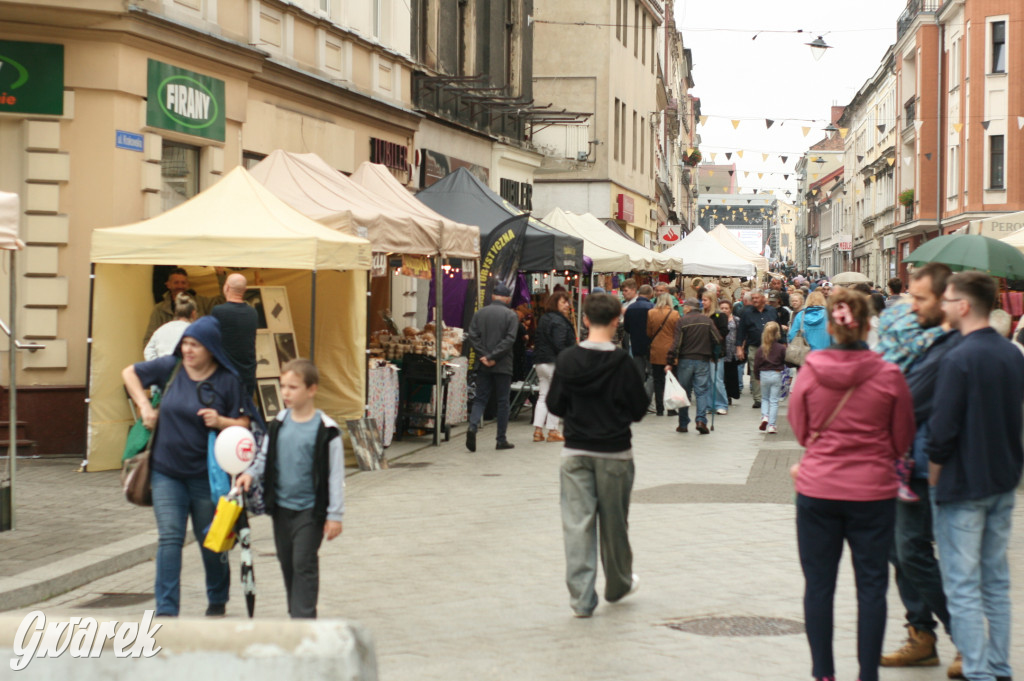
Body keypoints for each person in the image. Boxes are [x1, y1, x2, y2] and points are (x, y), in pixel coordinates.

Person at [788, 288, 916, 681]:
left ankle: (824, 673)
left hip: (819, 491)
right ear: (867, 325)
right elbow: (902, 440)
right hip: (872, 493)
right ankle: (867, 675)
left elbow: (802, 430)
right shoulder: (889, 373)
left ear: (830, 326)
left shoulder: (811, 370)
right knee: (872, 587)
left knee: (819, 586)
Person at [925, 271, 1024, 681]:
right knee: (995, 581)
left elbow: (942, 430)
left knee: (963, 585)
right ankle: (999, 666)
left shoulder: (957, 357)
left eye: (948, 299)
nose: (944, 306)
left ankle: (979, 671)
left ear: (963, 306)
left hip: (963, 482)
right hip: (1002, 478)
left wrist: (932, 476)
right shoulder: (1012, 353)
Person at [122, 316, 251, 617]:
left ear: (211, 348)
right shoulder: (171, 367)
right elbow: (129, 373)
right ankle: (166, 609)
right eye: (186, 344)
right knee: (170, 536)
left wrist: (221, 421)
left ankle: (217, 598)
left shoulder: (227, 380)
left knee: (210, 539)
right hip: (166, 471)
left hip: (208, 475)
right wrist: (144, 405)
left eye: (195, 345)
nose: (189, 350)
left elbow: (245, 422)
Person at [877, 262, 960, 676]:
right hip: (905, 462)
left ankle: (964, 637)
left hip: (933, 465)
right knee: (899, 549)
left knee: (913, 550)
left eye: (920, 297)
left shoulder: (950, 345)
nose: (912, 305)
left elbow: (908, 401)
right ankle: (920, 634)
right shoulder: (923, 341)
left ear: (945, 300)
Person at [545, 293, 647, 618]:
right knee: (615, 524)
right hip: (615, 452)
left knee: (577, 525)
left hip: (575, 451)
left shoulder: (568, 360)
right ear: (617, 321)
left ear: (585, 320)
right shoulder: (623, 363)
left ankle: (581, 599)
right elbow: (639, 409)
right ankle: (617, 583)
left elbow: (554, 405)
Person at [237, 359, 344, 619]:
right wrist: (250, 473)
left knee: (303, 563)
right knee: (286, 563)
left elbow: (335, 475)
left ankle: (304, 619)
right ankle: (295, 615)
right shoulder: (279, 423)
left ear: (311, 389)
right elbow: (264, 456)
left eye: (293, 387)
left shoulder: (327, 430)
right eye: (283, 386)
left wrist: (334, 515)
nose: (285, 392)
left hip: (310, 511)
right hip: (281, 509)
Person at [466, 281, 520, 452]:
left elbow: (473, 336)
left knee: (480, 398)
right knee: (503, 401)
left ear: (492, 296)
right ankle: (501, 439)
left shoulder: (480, 313)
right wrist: (493, 356)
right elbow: (509, 340)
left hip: (483, 365)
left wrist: (484, 356)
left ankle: (473, 426)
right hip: (502, 364)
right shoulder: (511, 316)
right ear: (507, 298)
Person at [666, 297, 722, 435]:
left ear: (688, 308)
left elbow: (677, 343)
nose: (683, 308)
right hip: (702, 360)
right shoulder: (707, 321)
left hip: (685, 361)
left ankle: (683, 423)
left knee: (684, 393)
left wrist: (670, 359)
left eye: (684, 306)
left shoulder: (682, 321)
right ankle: (701, 420)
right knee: (701, 391)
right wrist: (716, 355)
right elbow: (718, 339)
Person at [532, 291, 577, 442]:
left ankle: (538, 431)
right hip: (554, 363)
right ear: (555, 303)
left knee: (543, 396)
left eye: (567, 302)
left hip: (541, 362)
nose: (567, 305)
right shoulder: (559, 321)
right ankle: (553, 430)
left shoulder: (544, 318)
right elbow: (559, 343)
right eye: (563, 302)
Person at [143, 267, 220, 345]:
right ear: (168, 285)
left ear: (188, 285)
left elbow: (222, 301)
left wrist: (220, 275)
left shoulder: (200, 302)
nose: (180, 286)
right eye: (176, 282)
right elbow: (149, 340)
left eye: (183, 283)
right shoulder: (159, 309)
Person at [211, 273, 258, 396]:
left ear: (226, 288)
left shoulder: (218, 311)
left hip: (225, 374)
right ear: (245, 290)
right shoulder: (252, 313)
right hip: (248, 373)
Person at [735, 289, 778, 409]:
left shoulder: (772, 311)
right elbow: (741, 332)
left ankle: (769, 396)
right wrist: (739, 348)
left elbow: (777, 329)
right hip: (754, 346)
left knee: (771, 371)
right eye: (753, 298)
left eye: (756, 298)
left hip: (771, 346)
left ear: (763, 298)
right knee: (755, 372)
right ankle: (758, 399)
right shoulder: (747, 313)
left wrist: (783, 344)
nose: (754, 300)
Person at [646, 293, 681, 416]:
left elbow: (649, 332)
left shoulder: (651, 313)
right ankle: (671, 409)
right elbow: (678, 333)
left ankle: (659, 409)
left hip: (656, 349)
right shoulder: (675, 314)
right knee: (671, 379)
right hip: (671, 351)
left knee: (657, 380)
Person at [622, 284, 655, 402]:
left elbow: (626, 328)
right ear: (651, 295)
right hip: (650, 345)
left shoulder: (630, 308)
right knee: (652, 373)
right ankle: (646, 398)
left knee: (639, 374)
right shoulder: (652, 307)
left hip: (635, 345)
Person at [753, 321, 786, 434]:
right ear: (777, 333)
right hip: (776, 374)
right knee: (774, 401)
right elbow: (785, 361)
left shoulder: (761, 349)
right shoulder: (781, 348)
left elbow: (756, 365)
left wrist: (757, 377)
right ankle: (772, 425)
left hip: (764, 375)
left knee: (765, 398)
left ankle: (764, 417)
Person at [144, 293, 196, 361]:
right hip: (184, 369)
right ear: (193, 313)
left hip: (162, 368)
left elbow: (148, 350)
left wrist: (157, 364)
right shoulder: (194, 330)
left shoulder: (161, 329)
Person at [704, 292, 729, 416]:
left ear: (712, 301)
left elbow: (724, 332)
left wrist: (714, 339)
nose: (703, 302)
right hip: (704, 351)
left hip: (716, 351)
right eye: (702, 300)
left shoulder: (719, 315)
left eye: (705, 300)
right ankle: (710, 405)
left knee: (716, 379)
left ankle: (721, 404)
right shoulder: (702, 314)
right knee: (707, 380)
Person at [719, 299, 742, 403]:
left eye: (726, 308)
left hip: (732, 350)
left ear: (730, 309)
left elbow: (741, 334)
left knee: (731, 374)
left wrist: (740, 347)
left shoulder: (736, 320)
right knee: (721, 374)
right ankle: (723, 395)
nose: (724, 310)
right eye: (722, 308)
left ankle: (729, 394)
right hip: (721, 350)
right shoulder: (717, 319)